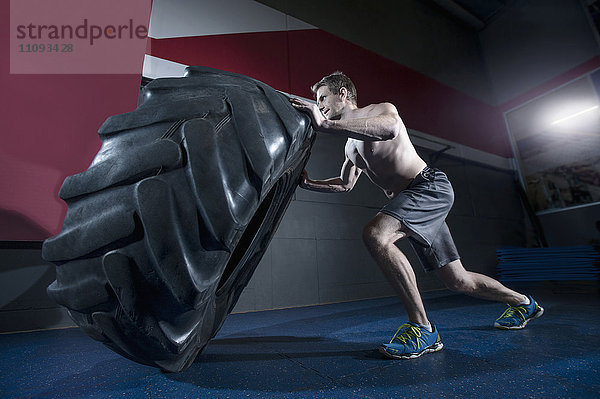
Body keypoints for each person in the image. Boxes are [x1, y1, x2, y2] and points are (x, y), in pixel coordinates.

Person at [289, 71, 544, 360]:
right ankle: (524, 303)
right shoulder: (350, 144)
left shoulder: (380, 110)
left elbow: (389, 129)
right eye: (316, 101)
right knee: (457, 280)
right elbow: (345, 184)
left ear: (343, 93)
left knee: (376, 235)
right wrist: (309, 184)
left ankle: (422, 329)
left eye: (322, 98)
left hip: (428, 187)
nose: (319, 104)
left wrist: (323, 124)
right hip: (413, 202)